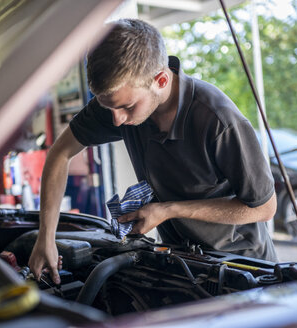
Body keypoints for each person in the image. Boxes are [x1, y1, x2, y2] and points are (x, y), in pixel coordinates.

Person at [29, 18, 277, 284]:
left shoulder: (218, 121)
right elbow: (59, 154)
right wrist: (46, 238)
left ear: (160, 80)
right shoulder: (118, 104)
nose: (116, 121)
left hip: (242, 271)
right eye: (107, 107)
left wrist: (168, 210)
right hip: (182, 264)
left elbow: (263, 208)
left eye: (127, 107)